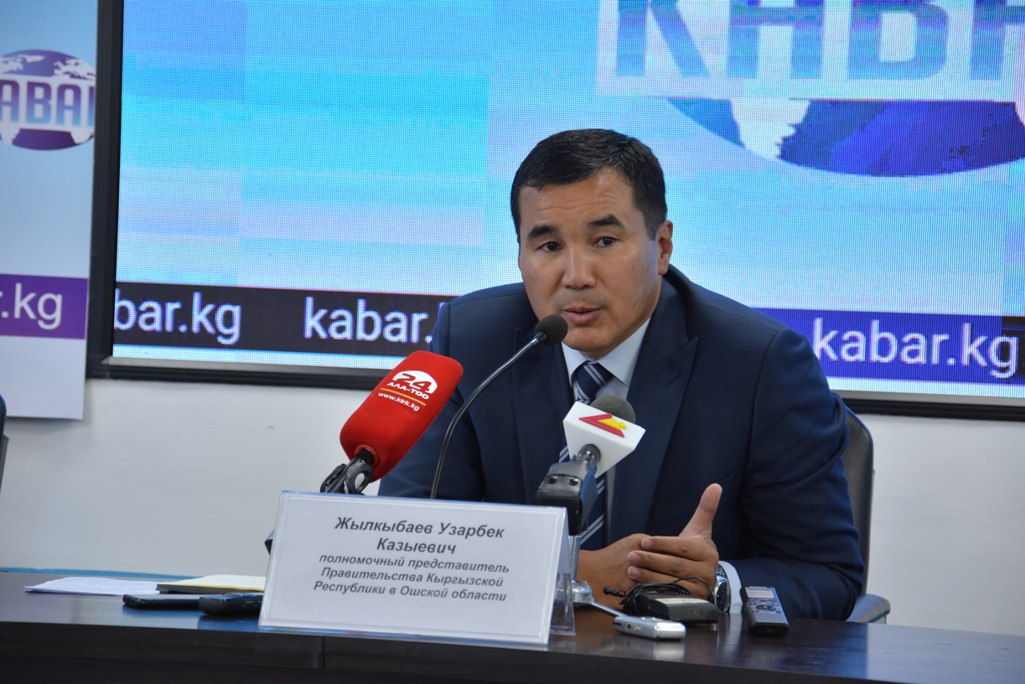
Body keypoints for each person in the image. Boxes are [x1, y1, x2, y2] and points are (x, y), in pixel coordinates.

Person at [379, 129, 864, 620]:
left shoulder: (761, 364)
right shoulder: (472, 343)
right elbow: (406, 540)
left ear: (662, 246)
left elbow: (828, 575)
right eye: (548, 245)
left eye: (605, 241)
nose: (576, 275)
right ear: (520, 254)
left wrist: (715, 583)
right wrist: (571, 573)